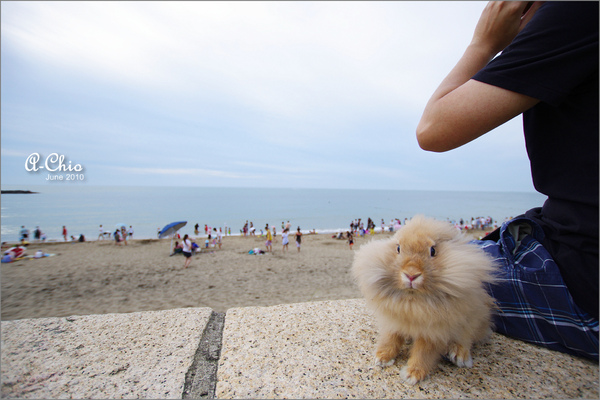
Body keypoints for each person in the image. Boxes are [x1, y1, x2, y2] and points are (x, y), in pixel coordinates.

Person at [416, 1, 598, 360]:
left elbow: (433, 129)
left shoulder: (578, 10)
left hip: (584, 281)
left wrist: (484, 43)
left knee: (406, 278)